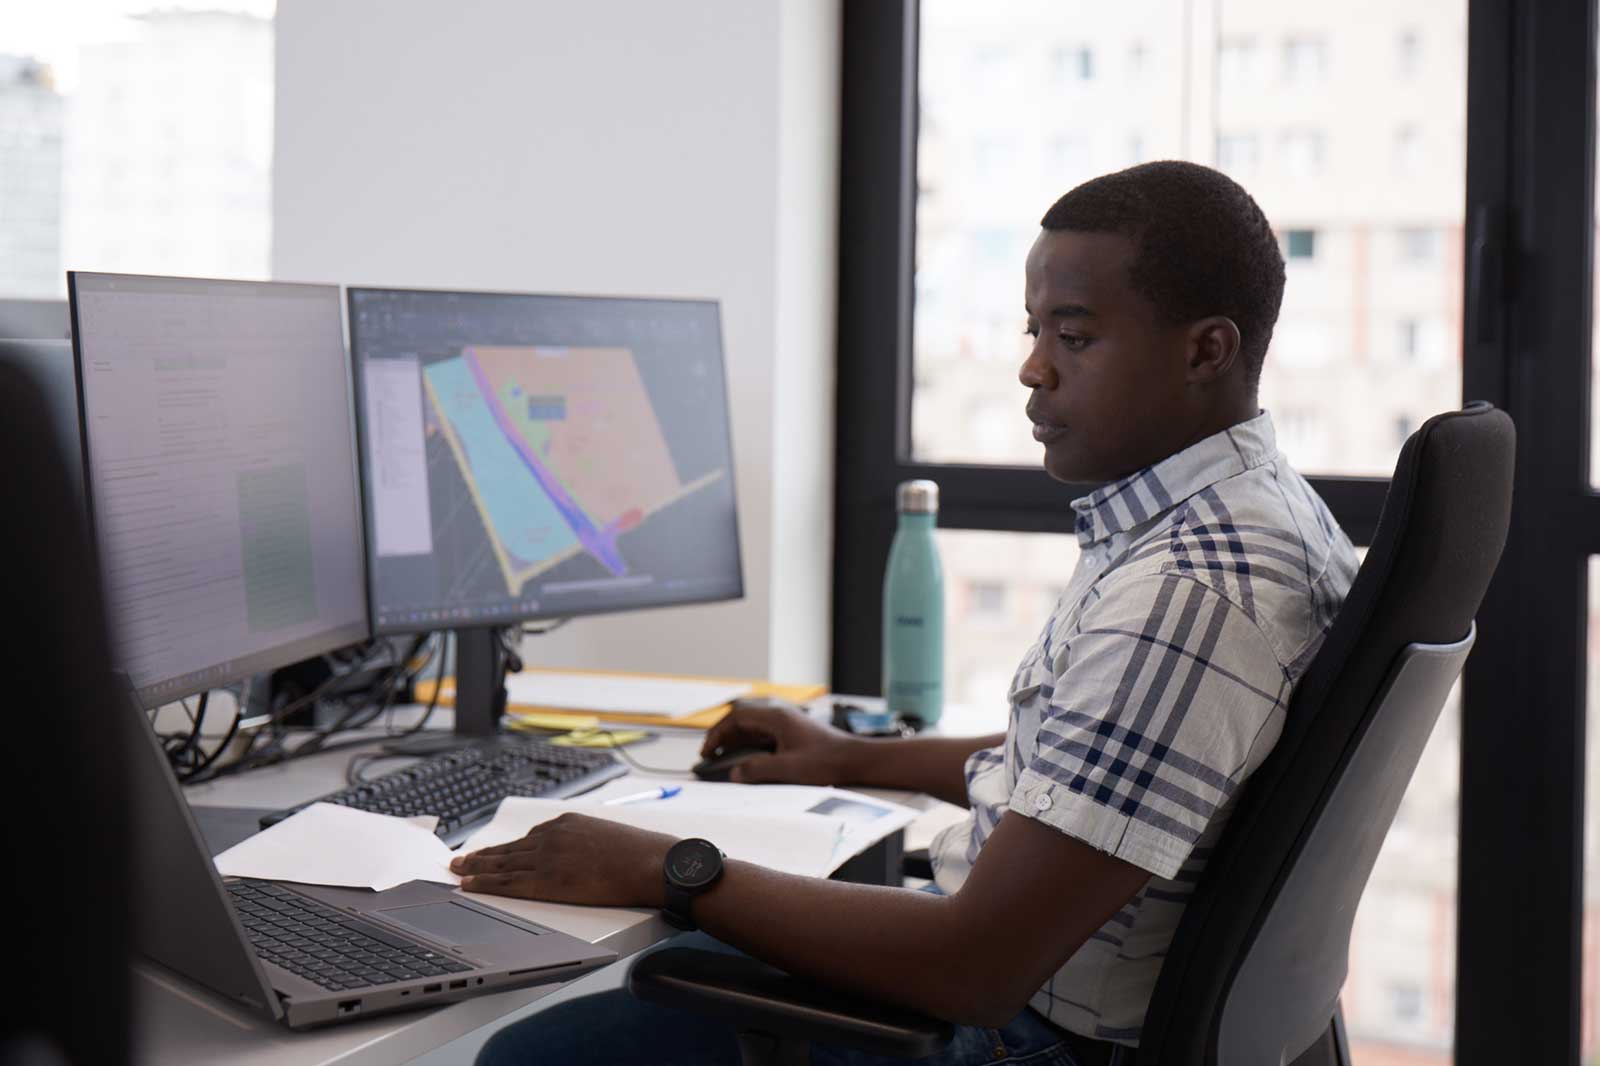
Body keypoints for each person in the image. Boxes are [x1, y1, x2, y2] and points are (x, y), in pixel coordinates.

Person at [456, 160, 1360, 1066]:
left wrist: (665, 865)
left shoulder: (1188, 594)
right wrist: (845, 755)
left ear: (1206, 350)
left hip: (1026, 1035)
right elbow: (1070, 783)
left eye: (1074, 337)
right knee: (687, 962)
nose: (1031, 367)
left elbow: (978, 966)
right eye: (1033, 328)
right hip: (1052, 997)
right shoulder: (1254, 511)